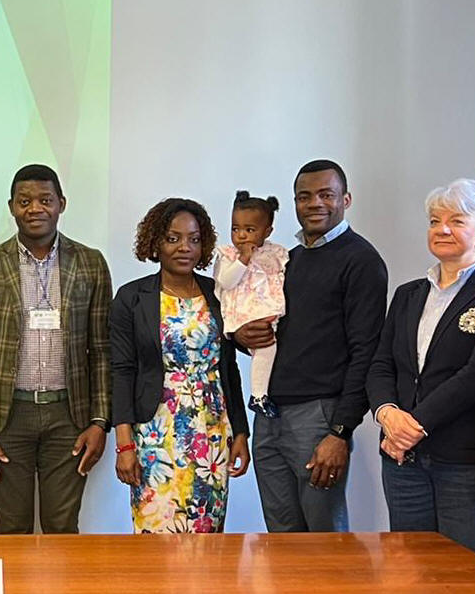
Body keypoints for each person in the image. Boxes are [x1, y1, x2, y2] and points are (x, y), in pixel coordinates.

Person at [367, 179, 475, 594]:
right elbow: (381, 365)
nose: (442, 229)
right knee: (411, 579)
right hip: (403, 463)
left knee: (470, 581)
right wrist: (387, 414)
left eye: (456, 220)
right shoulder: (409, 294)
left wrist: (416, 424)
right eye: (435, 221)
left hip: (463, 462)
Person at [233, 159, 387, 532]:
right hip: (269, 414)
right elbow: (269, 329)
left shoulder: (361, 261)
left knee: (324, 540)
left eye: (326, 195)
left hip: (319, 417)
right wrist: (239, 337)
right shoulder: (289, 260)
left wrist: (340, 432)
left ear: (345, 200)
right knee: (281, 536)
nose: (314, 203)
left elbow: (366, 352)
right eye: (305, 196)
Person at [0, 163, 112, 534]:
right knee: (12, 529)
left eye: (45, 200)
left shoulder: (90, 262)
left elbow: (102, 351)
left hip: (69, 417)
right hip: (7, 418)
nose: (35, 209)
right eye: (24, 201)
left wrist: (99, 421)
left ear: (61, 204)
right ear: (12, 207)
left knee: (62, 527)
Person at [108, 198, 250, 533]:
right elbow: (122, 372)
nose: (184, 247)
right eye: (173, 238)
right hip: (155, 436)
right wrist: (125, 444)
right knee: (156, 532)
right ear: (155, 242)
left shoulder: (219, 295)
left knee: (207, 531)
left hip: (212, 432)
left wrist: (241, 432)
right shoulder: (132, 298)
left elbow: (229, 370)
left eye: (194, 239)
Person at [214, 191, 289, 417]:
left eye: (249, 230)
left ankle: (260, 394)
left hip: (265, 310)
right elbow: (226, 281)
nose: (241, 236)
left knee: (269, 347)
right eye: (235, 229)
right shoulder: (228, 255)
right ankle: (258, 395)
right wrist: (243, 259)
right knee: (265, 346)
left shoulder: (275, 253)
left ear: (267, 232)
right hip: (241, 311)